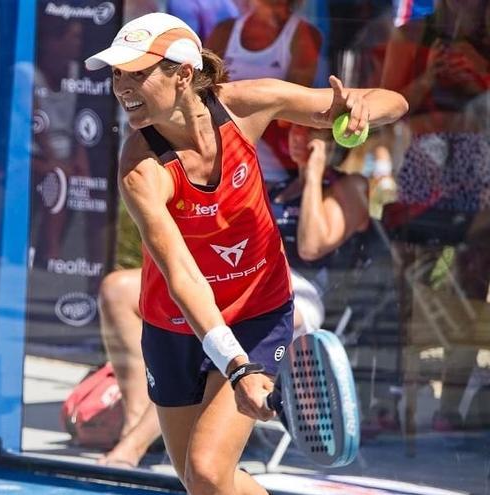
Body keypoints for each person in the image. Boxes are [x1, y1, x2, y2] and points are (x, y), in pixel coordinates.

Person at [85, 12, 407, 492]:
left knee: (210, 470)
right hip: (174, 323)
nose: (122, 85)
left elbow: (394, 102)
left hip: (258, 310)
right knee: (201, 481)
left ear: (183, 74)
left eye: (137, 72)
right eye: (116, 73)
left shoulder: (243, 106)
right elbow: (182, 276)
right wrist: (238, 367)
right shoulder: (140, 167)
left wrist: (361, 107)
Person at [97, 125, 372, 468]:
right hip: (236, 279)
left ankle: (132, 447)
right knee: (118, 289)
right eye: (294, 131)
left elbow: (312, 245)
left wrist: (313, 175)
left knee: (204, 469)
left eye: (311, 134)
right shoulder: (271, 183)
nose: (300, 138)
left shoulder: (350, 186)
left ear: (333, 144)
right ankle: (136, 425)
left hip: (294, 294)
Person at [380, 0, 490, 433]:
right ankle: (399, 401)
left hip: (479, 165)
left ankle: (452, 403)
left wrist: (480, 72)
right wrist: (428, 77)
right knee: (410, 282)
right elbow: (382, 109)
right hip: (425, 166)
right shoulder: (411, 35)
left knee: (473, 278)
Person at [206, 0, 322, 184]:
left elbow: (291, 112)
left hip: (274, 171)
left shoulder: (304, 34)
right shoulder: (224, 30)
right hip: (221, 163)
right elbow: (202, 97)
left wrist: (235, 100)